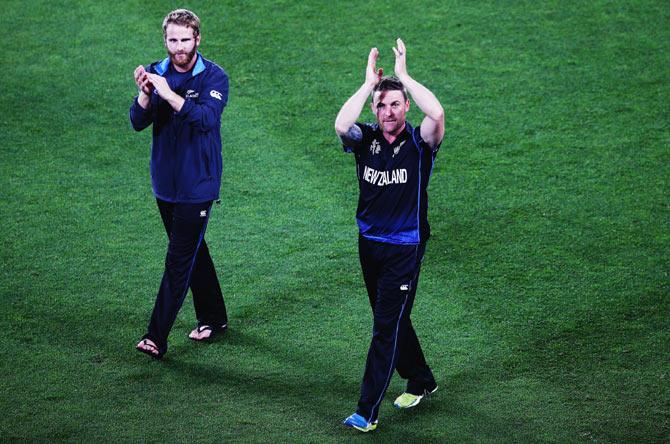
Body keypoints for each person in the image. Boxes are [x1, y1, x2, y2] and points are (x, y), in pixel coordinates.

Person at [334, 38, 445, 432]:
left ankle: (367, 410)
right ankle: (421, 378)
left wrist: (402, 76)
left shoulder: (421, 142)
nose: (387, 110)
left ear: (406, 106)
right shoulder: (365, 139)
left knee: (384, 327)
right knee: (394, 318)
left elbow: (438, 112)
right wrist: (368, 86)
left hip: (405, 247)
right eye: (381, 105)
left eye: (395, 103)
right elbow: (340, 125)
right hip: (369, 244)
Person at [129, 9, 229, 359]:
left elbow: (205, 119)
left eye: (186, 39)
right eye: (173, 40)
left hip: (198, 185)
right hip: (165, 185)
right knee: (192, 250)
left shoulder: (214, 77)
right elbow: (137, 122)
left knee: (178, 259)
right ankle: (214, 316)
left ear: (197, 39)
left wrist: (169, 93)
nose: (179, 47)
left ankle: (156, 336)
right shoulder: (156, 72)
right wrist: (144, 94)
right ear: (166, 40)